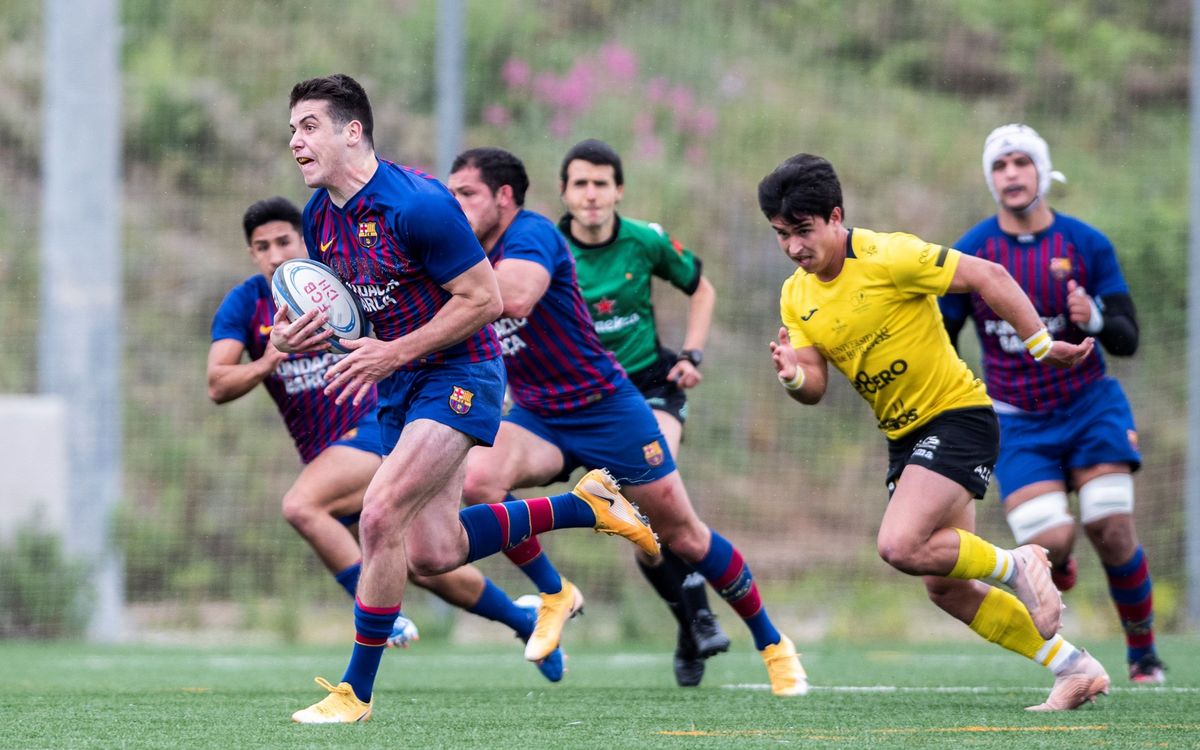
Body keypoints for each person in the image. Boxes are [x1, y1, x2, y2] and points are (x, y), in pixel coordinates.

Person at [278, 74, 659, 723]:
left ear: (353, 131)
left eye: (308, 126)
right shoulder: (319, 219)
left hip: (461, 372)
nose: (294, 141)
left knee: (377, 515)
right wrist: (304, 334)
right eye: (290, 130)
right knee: (435, 552)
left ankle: (355, 694)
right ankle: (582, 504)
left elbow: (484, 301)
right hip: (403, 383)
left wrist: (394, 352)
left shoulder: (420, 205)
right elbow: (358, 316)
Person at [447, 146, 806, 697]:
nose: (455, 204)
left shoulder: (535, 235)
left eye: (465, 193)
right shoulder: (464, 248)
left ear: (504, 197)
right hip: (540, 413)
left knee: (680, 534)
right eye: (450, 194)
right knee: (478, 480)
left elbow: (514, 299)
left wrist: (693, 353)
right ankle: (554, 593)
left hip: (610, 405)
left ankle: (772, 643)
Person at [759, 153, 1110, 711]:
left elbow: (988, 276)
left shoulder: (888, 254)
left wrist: (1041, 345)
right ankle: (1074, 667)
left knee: (899, 545)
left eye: (803, 231)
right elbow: (815, 384)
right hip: (905, 437)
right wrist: (792, 375)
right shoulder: (795, 295)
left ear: (834, 216)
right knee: (945, 585)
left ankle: (1019, 564)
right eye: (781, 235)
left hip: (957, 416)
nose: (795, 247)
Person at [207, 195, 568, 680]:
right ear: (252, 254)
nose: (275, 254)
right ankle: (523, 620)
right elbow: (218, 382)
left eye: (284, 241)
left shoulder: (340, 286)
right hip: (327, 454)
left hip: (376, 429)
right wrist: (271, 358)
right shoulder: (247, 305)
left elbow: (412, 311)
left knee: (302, 505)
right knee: (427, 562)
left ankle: (376, 631)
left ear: (305, 241)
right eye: (262, 246)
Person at [940, 123, 1165, 685]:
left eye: (1021, 162)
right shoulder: (972, 250)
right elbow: (939, 333)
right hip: (1018, 421)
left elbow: (1128, 337)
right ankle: (1061, 565)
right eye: (999, 165)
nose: (1011, 173)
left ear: (1042, 170)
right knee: (1049, 542)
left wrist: (1092, 318)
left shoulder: (1086, 244)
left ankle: (1143, 656)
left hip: (1091, 407)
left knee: (1111, 526)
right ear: (990, 179)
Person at [556, 138, 729, 686]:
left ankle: (698, 608)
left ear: (618, 191)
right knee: (645, 536)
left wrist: (694, 353)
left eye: (601, 183)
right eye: (580, 183)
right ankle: (688, 624)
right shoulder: (543, 249)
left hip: (651, 387)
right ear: (564, 192)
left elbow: (702, 289)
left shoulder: (645, 241)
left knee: (644, 488)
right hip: (583, 401)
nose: (591, 194)